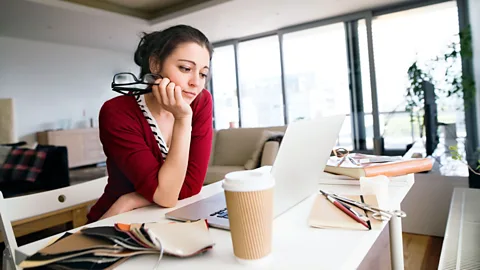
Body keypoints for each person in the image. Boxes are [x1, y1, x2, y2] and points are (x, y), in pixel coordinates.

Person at [86, 25, 214, 223]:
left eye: (203, 74)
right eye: (186, 69)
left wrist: (133, 199)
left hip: (162, 217)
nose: (196, 82)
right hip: (118, 221)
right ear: (155, 64)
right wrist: (182, 119)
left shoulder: (200, 101)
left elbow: (191, 188)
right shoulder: (117, 112)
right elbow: (166, 196)